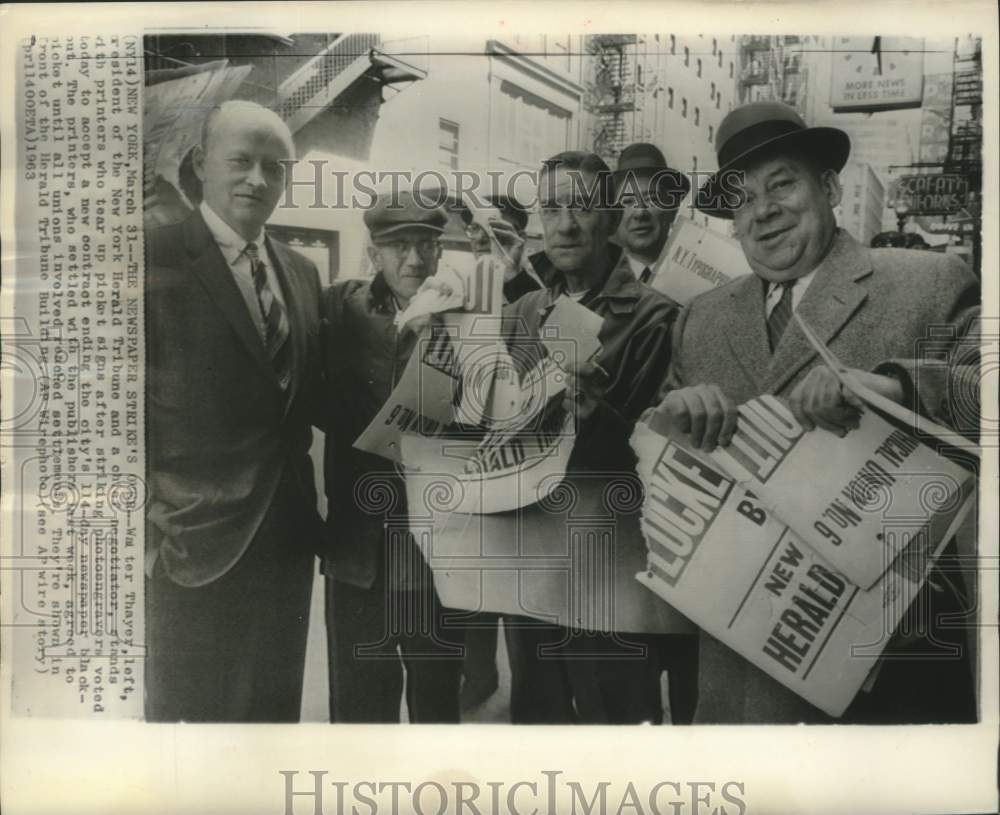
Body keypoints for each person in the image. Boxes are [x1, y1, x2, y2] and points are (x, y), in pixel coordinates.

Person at [652, 100, 980, 724]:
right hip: (742, 667)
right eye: (743, 198)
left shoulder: (928, 284)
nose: (764, 209)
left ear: (828, 187)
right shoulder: (702, 319)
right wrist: (670, 418)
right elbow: (661, 471)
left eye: (782, 183)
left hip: (889, 668)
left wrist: (900, 390)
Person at [144, 100, 323, 722]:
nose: (257, 180)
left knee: (271, 722)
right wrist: (147, 531)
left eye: (274, 168)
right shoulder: (151, 258)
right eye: (240, 162)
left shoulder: (301, 273)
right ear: (201, 164)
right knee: (187, 729)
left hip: (286, 541)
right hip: (190, 542)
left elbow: (314, 398)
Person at [501, 151, 694, 724]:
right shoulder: (524, 311)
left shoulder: (656, 317)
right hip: (530, 566)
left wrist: (596, 412)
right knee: (538, 730)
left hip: (607, 571)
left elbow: (661, 458)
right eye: (553, 207)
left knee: (618, 733)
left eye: (582, 208)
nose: (565, 224)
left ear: (608, 216)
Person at [319, 191, 464, 723]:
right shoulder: (340, 307)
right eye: (398, 246)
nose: (414, 260)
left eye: (426, 245)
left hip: (437, 559)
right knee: (358, 716)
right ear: (374, 252)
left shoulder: (464, 320)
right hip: (357, 554)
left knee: (437, 711)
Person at [611, 143, 700, 724]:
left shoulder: (708, 283)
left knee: (694, 661)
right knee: (628, 670)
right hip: (620, 503)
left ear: (672, 212)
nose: (641, 212)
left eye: (655, 200)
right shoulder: (588, 283)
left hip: (692, 495)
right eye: (628, 200)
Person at [612, 142, 690, 285]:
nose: (640, 212)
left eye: (652, 199)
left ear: (673, 209)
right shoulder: (595, 283)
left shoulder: (695, 284)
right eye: (628, 201)